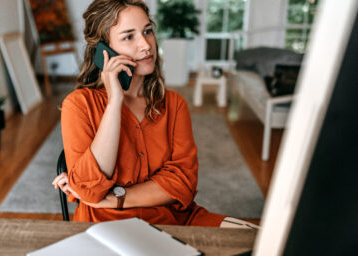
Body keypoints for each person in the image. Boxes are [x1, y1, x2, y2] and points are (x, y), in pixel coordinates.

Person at [52, 0, 255, 228]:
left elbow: (182, 182)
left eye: (147, 31)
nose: (146, 45)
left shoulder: (174, 104)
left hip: (175, 220)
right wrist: (115, 102)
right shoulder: (79, 105)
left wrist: (114, 198)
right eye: (129, 37)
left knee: (257, 238)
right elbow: (89, 190)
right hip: (107, 224)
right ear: (103, 51)